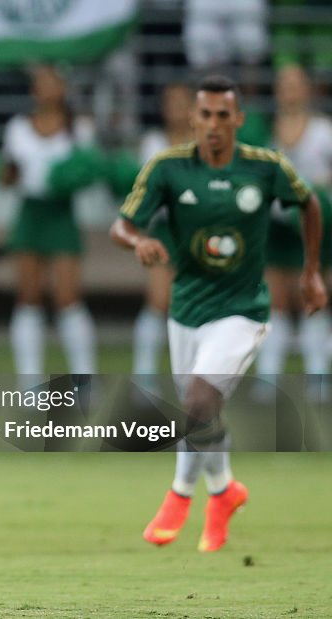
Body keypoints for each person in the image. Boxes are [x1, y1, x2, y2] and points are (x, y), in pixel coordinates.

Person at [110, 75, 327, 553]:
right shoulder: (168, 168)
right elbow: (121, 226)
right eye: (205, 115)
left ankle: (180, 494)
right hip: (186, 309)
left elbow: (309, 202)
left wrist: (312, 272)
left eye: (223, 115)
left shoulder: (265, 167)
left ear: (239, 120)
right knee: (202, 415)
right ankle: (225, 491)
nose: (213, 124)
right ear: (194, 118)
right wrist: (139, 240)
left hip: (243, 310)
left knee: (199, 403)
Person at [1, 65, 96, 388]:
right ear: (33, 92)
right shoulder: (17, 127)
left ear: (63, 89)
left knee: (68, 297)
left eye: (53, 83)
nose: (47, 90)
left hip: (61, 214)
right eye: (41, 84)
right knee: (28, 297)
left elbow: (86, 173)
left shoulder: (79, 128)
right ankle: (28, 384)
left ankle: (84, 378)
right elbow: (8, 176)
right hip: (29, 214)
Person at [253, 64, 332, 402]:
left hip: (313, 226)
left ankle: (317, 375)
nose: (290, 90)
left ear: (308, 89)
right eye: (284, 84)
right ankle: (269, 376)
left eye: (296, 84)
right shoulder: (265, 134)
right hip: (275, 226)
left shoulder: (324, 132)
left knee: (311, 298)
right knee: (275, 299)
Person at [132, 83, 194, 392]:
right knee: (158, 300)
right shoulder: (153, 142)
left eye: (182, 103)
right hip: (164, 230)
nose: (176, 110)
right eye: (171, 103)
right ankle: (144, 376)